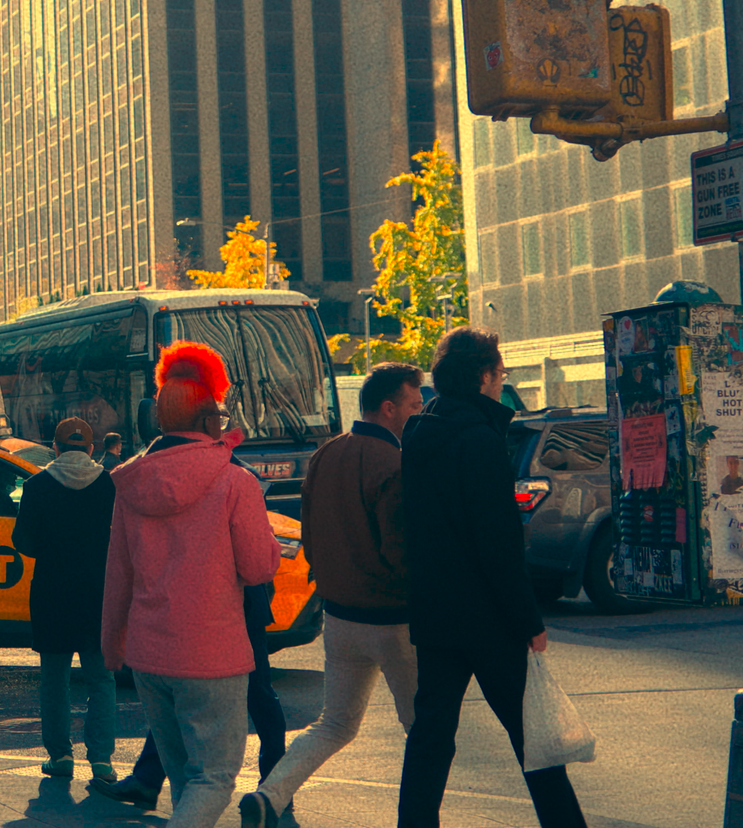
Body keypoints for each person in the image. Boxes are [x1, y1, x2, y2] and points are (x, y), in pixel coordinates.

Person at [396, 327, 587, 828]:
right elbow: (497, 543)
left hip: (436, 612)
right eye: (500, 373)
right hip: (487, 618)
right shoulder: (479, 441)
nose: (502, 382)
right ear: (483, 377)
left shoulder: (419, 435)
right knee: (532, 737)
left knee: (432, 732)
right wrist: (528, 619)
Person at [100, 341, 278, 828]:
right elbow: (259, 568)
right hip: (212, 650)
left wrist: (110, 642)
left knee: (183, 777)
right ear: (210, 421)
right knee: (216, 776)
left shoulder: (129, 483)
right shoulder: (234, 482)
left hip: (148, 651)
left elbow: (118, 573)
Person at [240, 362, 423, 827]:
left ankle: (271, 794)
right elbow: (400, 548)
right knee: (424, 729)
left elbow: (311, 532)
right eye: (414, 404)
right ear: (389, 408)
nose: (418, 412)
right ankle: (419, 819)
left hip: (340, 618)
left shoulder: (326, 454)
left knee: (334, 723)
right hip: (392, 618)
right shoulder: (395, 464)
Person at [13, 415, 116, 784]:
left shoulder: (37, 485)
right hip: (97, 593)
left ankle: (60, 756)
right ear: (91, 449)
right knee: (101, 679)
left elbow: (22, 542)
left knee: (54, 680)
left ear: (54, 448)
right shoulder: (108, 485)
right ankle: (102, 760)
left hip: (52, 592)